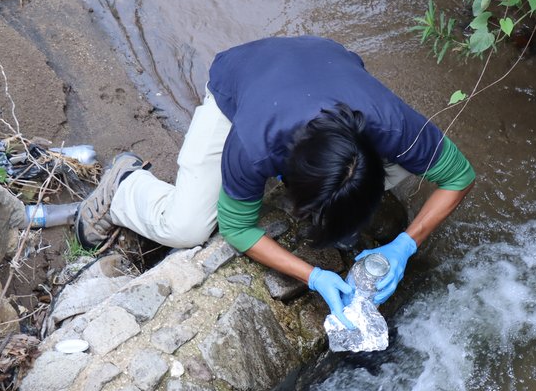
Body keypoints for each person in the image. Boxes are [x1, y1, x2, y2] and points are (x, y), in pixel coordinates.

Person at [75, 36, 475, 328]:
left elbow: (459, 175)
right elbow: (237, 228)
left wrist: (406, 244)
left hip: (324, 60)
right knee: (186, 226)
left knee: (411, 166)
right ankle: (124, 186)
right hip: (241, 80)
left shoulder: (388, 123)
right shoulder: (253, 145)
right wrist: (313, 276)